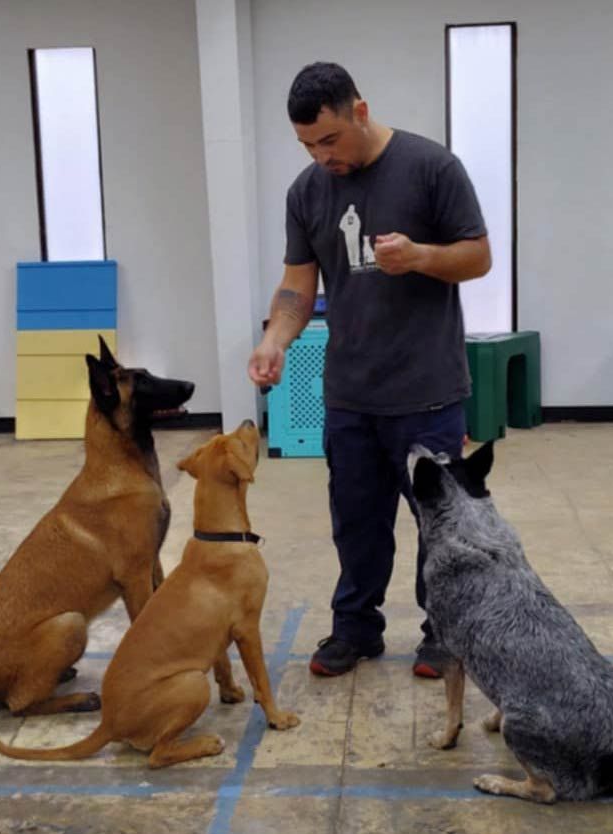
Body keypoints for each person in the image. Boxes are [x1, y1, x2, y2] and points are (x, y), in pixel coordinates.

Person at [248, 61, 491, 678]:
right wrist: (276, 338)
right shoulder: (307, 193)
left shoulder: (432, 168)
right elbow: (298, 286)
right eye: (307, 145)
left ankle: (445, 631)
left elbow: (478, 257)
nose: (322, 157)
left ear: (360, 111)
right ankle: (356, 628)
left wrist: (420, 256)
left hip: (427, 392)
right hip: (351, 395)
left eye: (330, 140)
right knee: (355, 524)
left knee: (441, 527)